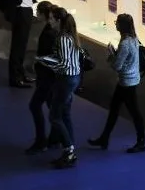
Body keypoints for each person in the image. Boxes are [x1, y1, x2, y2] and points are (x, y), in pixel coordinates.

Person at [89, 13, 145, 153]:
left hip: (126, 82)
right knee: (116, 109)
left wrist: (111, 56)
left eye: (117, 22)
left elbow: (117, 66)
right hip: (130, 80)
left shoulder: (125, 43)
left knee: (132, 111)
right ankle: (105, 138)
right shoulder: (133, 39)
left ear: (122, 25)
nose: (116, 24)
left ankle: (142, 141)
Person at [48, 10, 82, 169]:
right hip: (74, 78)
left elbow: (64, 63)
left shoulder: (62, 38)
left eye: (51, 18)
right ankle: (70, 149)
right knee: (65, 114)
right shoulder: (72, 37)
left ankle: (69, 149)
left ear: (58, 21)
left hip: (65, 79)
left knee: (55, 116)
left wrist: (48, 64)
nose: (49, 21)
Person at [26, 1, 60, 155]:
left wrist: (38, 62)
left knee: (35, 106)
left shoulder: (48, 34)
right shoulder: (52, 31)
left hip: (46, 76)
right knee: (52, 106)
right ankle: (55, 137)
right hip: (50, 76)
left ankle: (41, 141)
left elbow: (47, 55)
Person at [3, 0, 37, 88]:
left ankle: (20, 74)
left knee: (21, 46)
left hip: (24, 11)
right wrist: (20, 4)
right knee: (18, 46)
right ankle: (15, 78)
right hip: (21, 12)